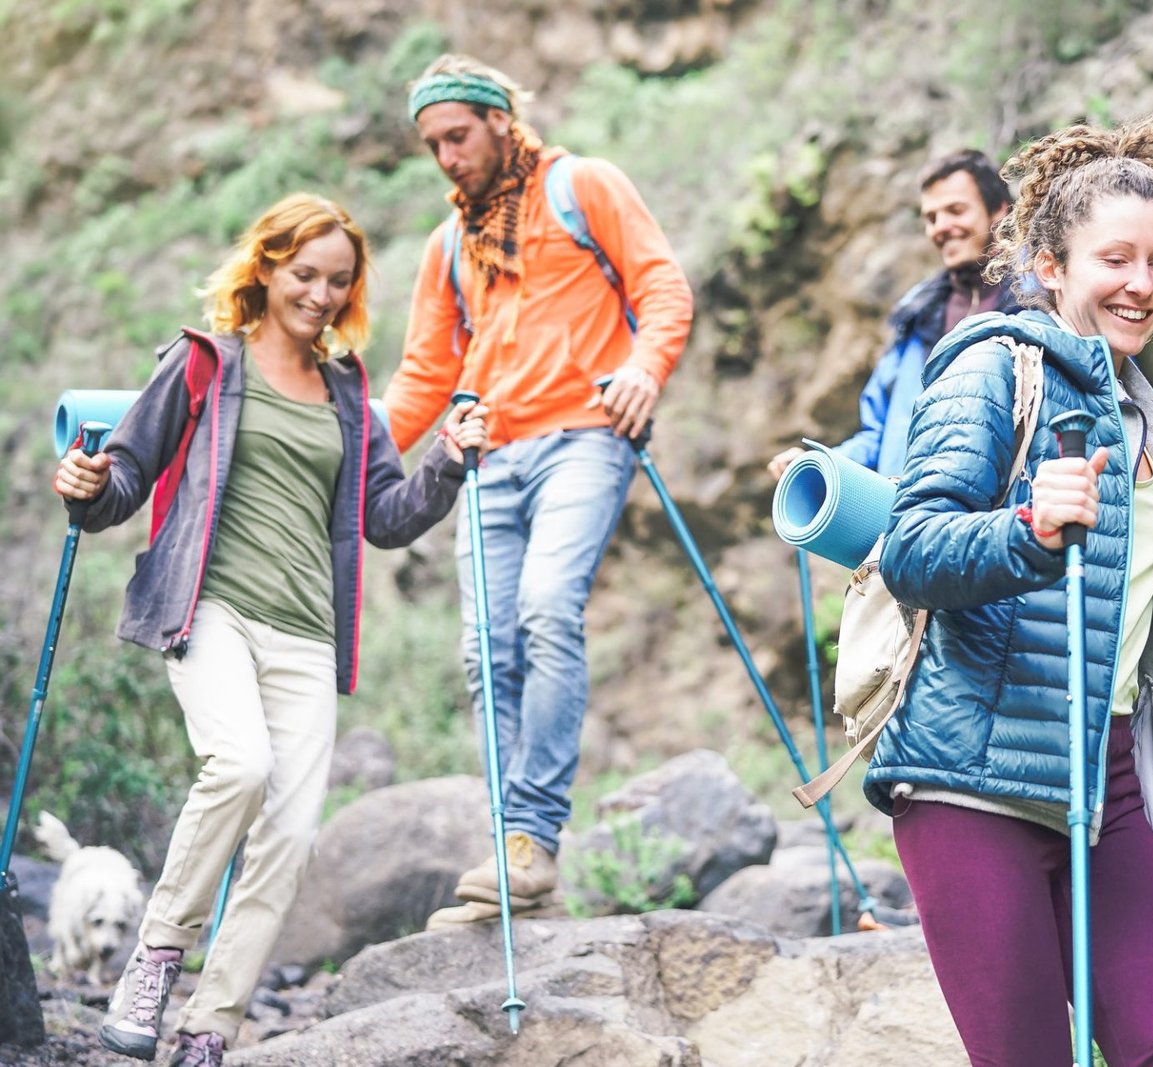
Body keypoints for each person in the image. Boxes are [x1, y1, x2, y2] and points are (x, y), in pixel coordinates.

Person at [865, 117, 1153, 1066]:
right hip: (974, 785)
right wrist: (1025, 530)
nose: (1143, 284)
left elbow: (1123, 605)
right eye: (1116, 259)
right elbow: (913, 546)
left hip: (1106, 786)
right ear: (1052, 265)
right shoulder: (990, 367)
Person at [54, 193, 488, 1066]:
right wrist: (87, 486)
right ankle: (157, 956)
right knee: (240, 764)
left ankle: (212, 1025)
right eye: (304, 275)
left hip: (307, 636)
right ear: (265, 266)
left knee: (288, 836)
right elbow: (128, 475)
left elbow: (388, 518)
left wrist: (447, 456)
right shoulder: (203, 363)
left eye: (338, 281)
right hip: (209, 608)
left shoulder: (347, 392)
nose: (321, 295)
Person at [381, 54, 694, 928]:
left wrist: (644, 367)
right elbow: (420, 379)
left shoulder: (580, 186)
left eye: (458, 134)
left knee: (548, 608)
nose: (446, 156)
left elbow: (661, 286)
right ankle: (512, 856)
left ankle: (529, 839)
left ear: (498, 119)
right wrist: (330, 439)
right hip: (484, 454)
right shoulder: (450, 247)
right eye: (432, 144)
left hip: (585, 436)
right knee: (486, 648)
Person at [767, 149, 1022, 480]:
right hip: (912, 514)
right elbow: (879, 434)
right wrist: (816, 465)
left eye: (955, 211)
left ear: (999, 210)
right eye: (931, 218)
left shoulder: (1040, 298)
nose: (941, 227)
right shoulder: (917, 315)